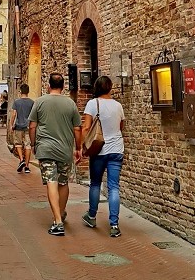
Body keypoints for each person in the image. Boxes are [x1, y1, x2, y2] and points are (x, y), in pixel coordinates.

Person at [28, 72, 82, 236]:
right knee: (63, 183)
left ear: (48, 85)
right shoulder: (70, 104)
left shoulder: (39, 102)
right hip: (64, 150)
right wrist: (78, 147)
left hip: (46, 148)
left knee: (51, 181)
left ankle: (58, 221)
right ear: (63, 86)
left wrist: (33, 144)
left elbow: (32, 126)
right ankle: (61, 212)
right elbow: (77, 128)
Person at [81, 75, 125, 238]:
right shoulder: (118, 106)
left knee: (95, 183)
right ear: (110, 87)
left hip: (99, 149)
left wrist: (82, 147)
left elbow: (86, 127)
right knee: (114, 186)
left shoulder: (93, 104)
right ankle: (114, 224)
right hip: (116, 149)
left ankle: (92, 216)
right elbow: (121, 126)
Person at [10, 83, 34, 173]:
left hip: (19, 126)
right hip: (28, 127)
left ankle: (21, 160)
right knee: (28, 145)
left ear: (20, 91)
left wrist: (11, 124)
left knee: (18, 143)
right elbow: (33, 116)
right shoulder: (32, 102)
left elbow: (14, 114)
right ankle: (27, 166)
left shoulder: (17, 102)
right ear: (28, 92)